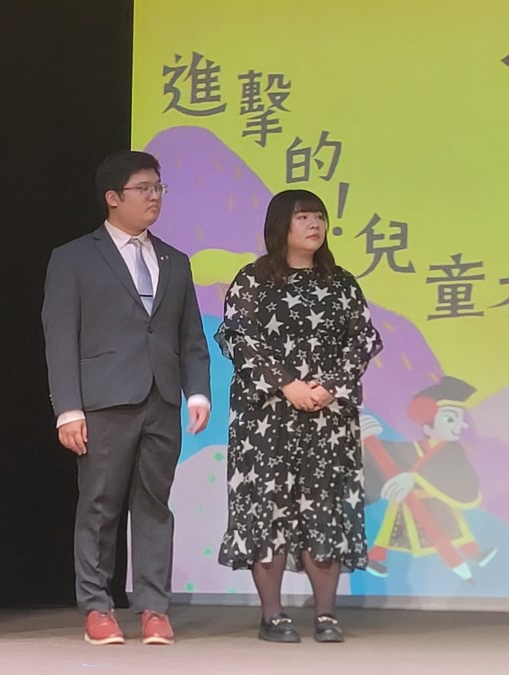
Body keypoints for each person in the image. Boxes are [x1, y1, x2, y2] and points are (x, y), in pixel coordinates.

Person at [42, 150, 210, 646]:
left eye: (159, 188)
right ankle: (97, 607)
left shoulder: (175, 260)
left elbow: (190, 336)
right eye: (144, 188)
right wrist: (67, 408)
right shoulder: (73, 257)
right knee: (100, 505)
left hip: (162, 399)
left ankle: (154, 608)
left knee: (155, 505)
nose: (154, 197)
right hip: (104, 400)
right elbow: (60, 337)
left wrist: (198, 391)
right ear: (113, 197)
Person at [216, 189, 382, 643]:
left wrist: (329, 386)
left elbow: (363, 340)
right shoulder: (253, 279)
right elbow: (237, 338)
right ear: (281, 226)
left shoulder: (341, 282)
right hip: (265, 419)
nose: (315, 225)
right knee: (267, 510)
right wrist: (286, 383)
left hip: (329, 419)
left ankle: (326, 615)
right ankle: (272, 616)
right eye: (304, 217)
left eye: (320, 217)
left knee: (324, 509)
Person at [361, 377, 497, 583]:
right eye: (450, 419)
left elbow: (463, 481)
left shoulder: (452, 450)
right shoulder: (414, 448)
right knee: (392, 528)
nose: (460, 426)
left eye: (461, 419)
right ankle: (374, 557)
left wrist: (414, 477)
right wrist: (363, 438)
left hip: (437, 504)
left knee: (454, 527)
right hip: (409, 503)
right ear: (427, 423)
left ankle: (472, 552)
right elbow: (387, 454)